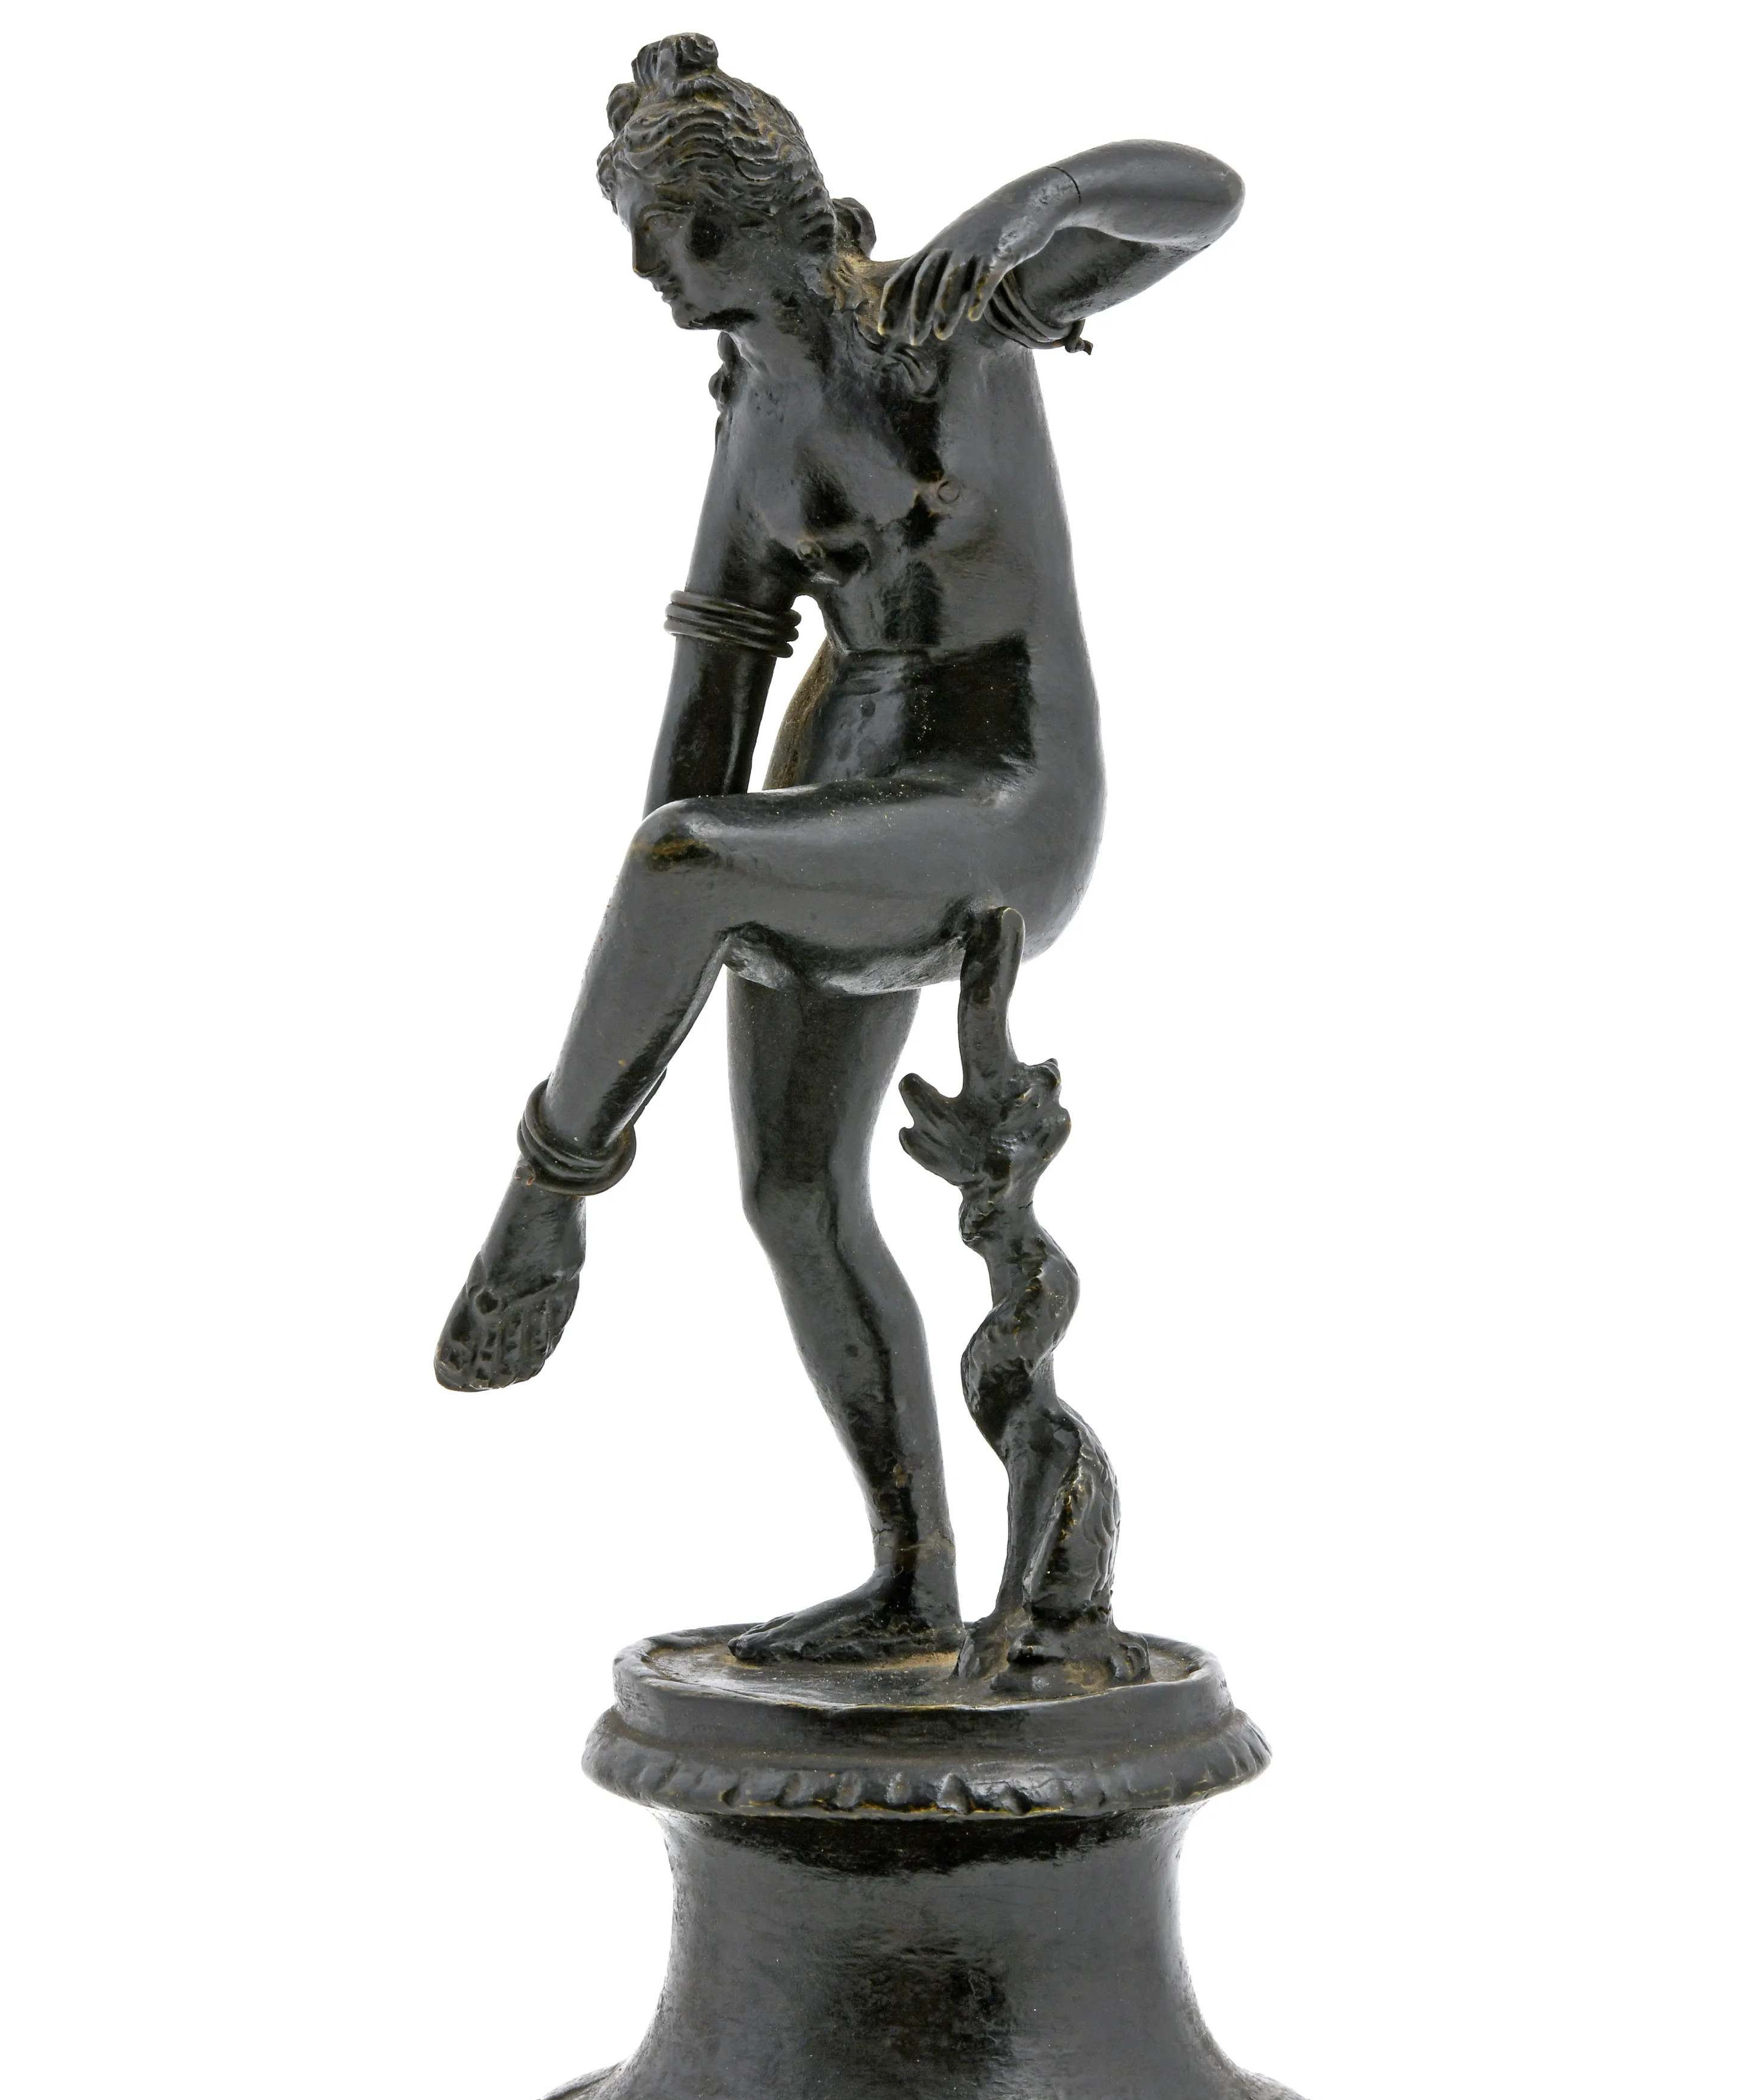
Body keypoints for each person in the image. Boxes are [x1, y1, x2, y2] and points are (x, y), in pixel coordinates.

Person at [436, 34, 1241, 1665]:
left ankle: (544, 1199)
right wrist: (668, 920)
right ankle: (909, 1584)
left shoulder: (947, 320)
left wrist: (1025, 210)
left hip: (1005, 793)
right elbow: (710, 718)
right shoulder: (748, 420)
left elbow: (1203, 198)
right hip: (835, 801)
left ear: (748, 211)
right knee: (794, 1188)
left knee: (690, 869)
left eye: (665, 231)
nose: (647, 271)